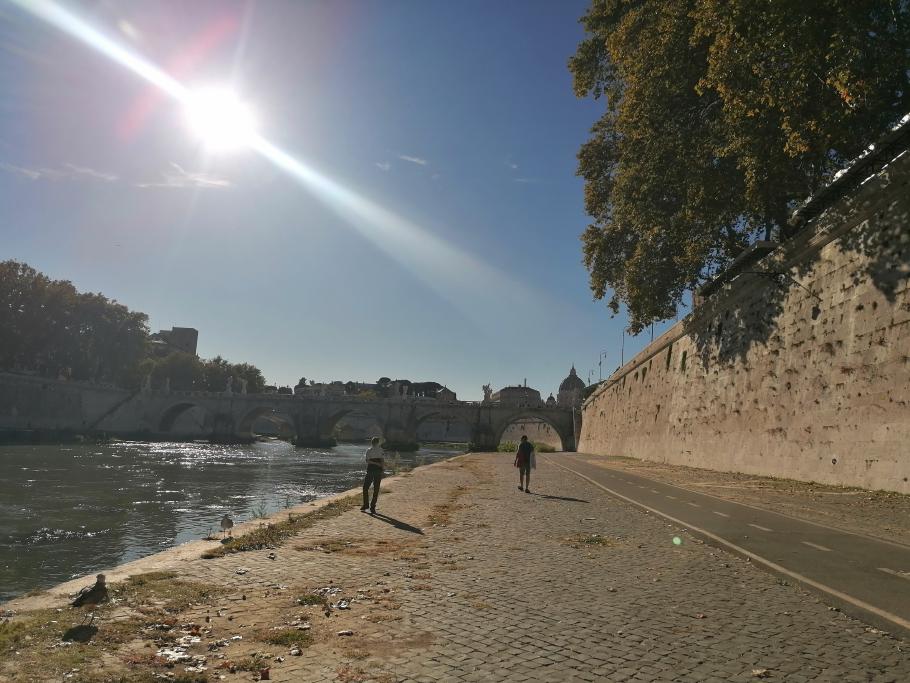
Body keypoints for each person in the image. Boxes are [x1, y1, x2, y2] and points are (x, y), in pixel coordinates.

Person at [361, 436, 385, 514]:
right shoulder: (381, 450)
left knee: (365, 488)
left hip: (371, 470)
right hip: (378, 471)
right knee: (376, 489)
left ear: (372, 442)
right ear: (378, 442)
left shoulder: (369, 450)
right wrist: (382, 468)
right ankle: (372, 507)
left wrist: (374, 463)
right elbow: (382, 461)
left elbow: (367, 461)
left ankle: (366, 505)